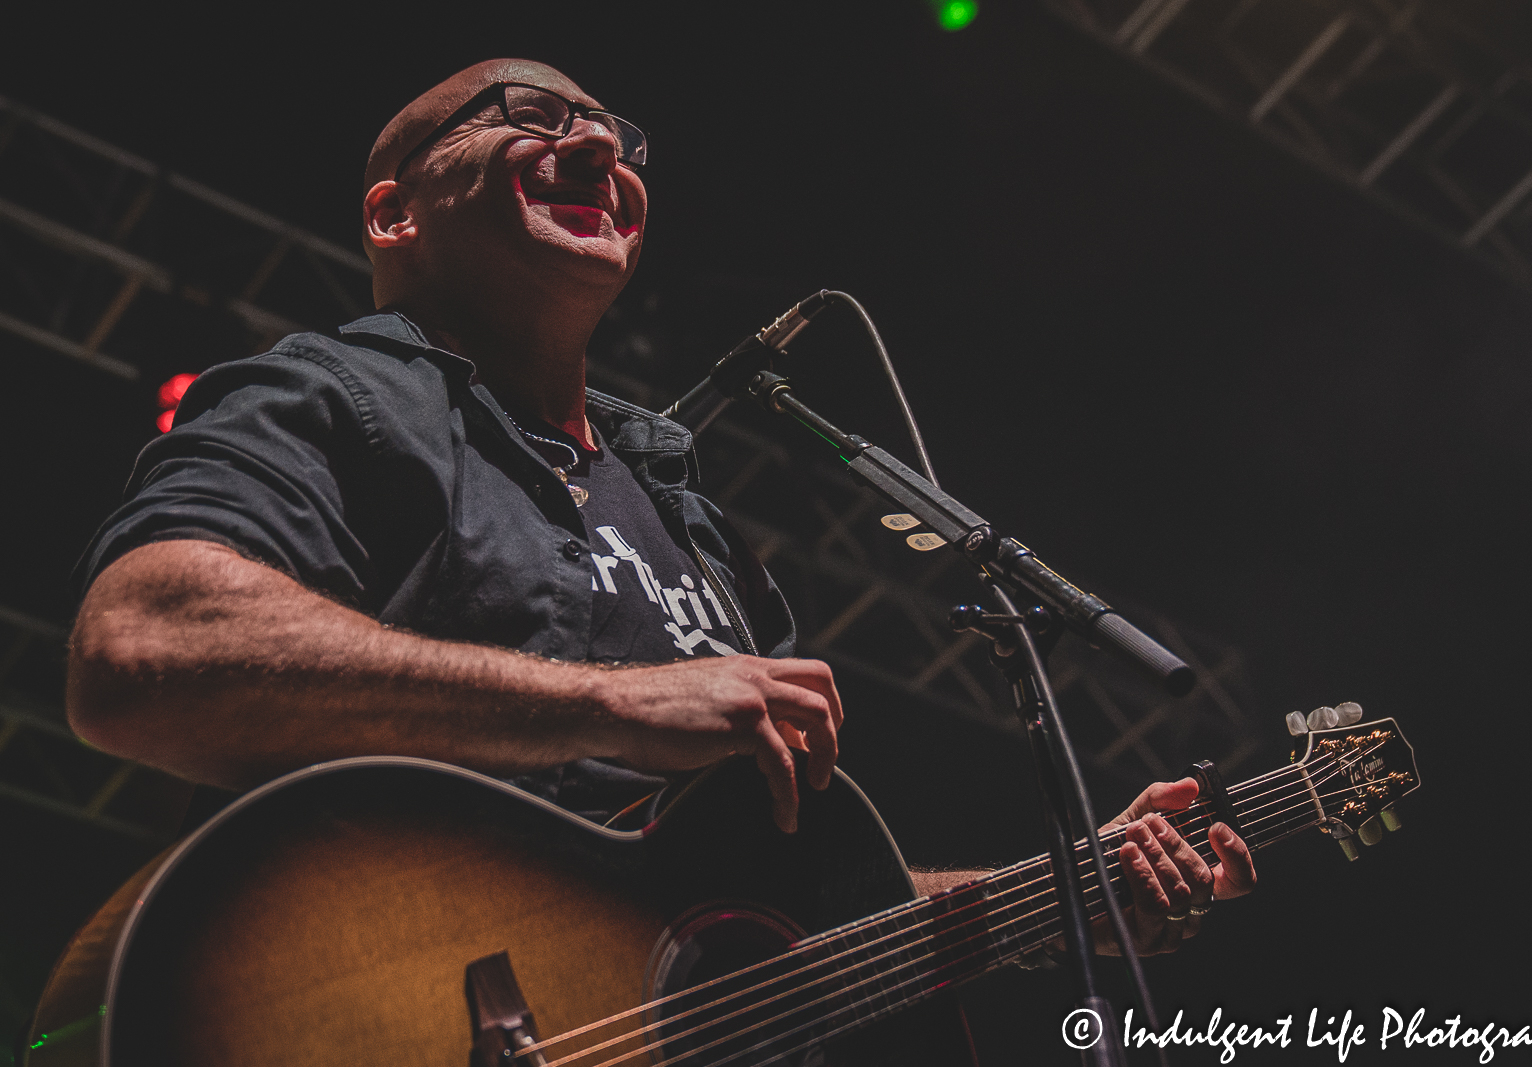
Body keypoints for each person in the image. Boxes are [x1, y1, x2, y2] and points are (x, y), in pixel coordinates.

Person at [66, 59, 1253, 964]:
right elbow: (144, 648)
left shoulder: (689, 517)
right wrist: (609, 703)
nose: (595, 142)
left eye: (618, 137)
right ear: (394, 217)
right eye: (529, 116)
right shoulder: (332, 393)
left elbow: (789, 911)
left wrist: (1052, 904)